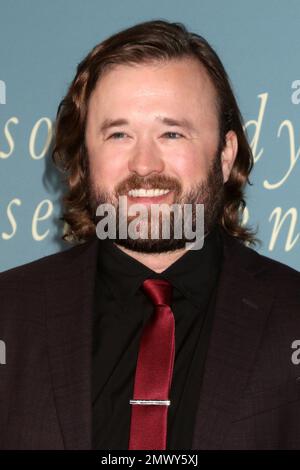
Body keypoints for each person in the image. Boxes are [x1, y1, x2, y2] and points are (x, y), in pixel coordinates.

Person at [0, 19, 299, 451]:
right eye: (119, 134)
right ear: (84, 156)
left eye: (171, 133)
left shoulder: (292, 315)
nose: (144, 164)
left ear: (225, 154)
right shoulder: (9, 313)